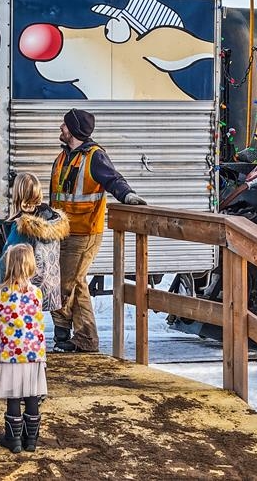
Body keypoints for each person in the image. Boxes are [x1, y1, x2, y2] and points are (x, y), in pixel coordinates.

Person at [49, 108, 147, 353]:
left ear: (73, 130)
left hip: (84, 233)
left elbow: (113, 179)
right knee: (77, 282)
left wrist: (128, 195)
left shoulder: (94, 156)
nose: (61, 128)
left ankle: (61, 336)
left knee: (62, 284)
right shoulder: (64, 157)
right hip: (63, 231)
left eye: (64, 125)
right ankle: (86, 339)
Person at [0, 244, 48, 454]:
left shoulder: (1, 293)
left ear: (8, 265)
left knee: (14, 396)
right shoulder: (36, 294)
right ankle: (31, 440)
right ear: (31, 266)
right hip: (34, 354)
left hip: (10, 354)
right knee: (32, 396)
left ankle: (13, 440)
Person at [0, 173, 68, 313]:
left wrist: (1, 286)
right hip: (44, 289)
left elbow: (7, 259)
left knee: (20, 329)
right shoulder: (51, 218)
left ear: (17, 195)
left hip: (21, 291)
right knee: (33, 327)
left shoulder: (22, 226)